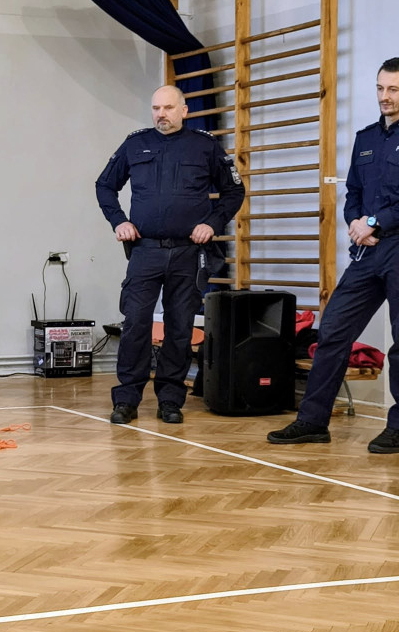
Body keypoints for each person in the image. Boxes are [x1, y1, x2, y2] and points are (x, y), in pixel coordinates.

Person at [269, 58, 399, 452]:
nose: (385, 96)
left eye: (393, 89)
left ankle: (398, 427)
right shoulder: (366, 138)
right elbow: (353, 192)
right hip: (367, 251)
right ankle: (312, 420)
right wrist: (356, 222)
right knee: (333, 331)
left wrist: (374, 221)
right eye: (380, 88)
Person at [96, 85, 244, 425]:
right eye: (155, 108)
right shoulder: (135, 144)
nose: (160, 114)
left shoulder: (205, 146)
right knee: (135, 324)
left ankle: (170, 400)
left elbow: (234, 191)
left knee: (179, 328)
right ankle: (126, 399)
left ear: (184, 110)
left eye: (168, 107)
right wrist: (119, 221)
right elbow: (104, 185)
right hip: (145, 251)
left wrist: (212, 223)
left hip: (188, 253)